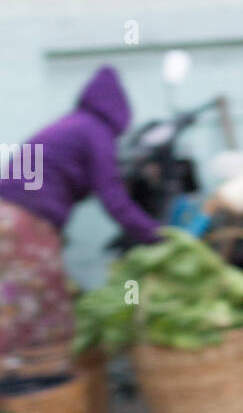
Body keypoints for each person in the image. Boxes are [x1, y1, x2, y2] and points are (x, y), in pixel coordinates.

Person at [0, 66, 161, 362]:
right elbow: (113, 198)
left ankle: (25, 387)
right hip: (25, 221)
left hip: (7, 216)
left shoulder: (73, 125)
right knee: (46, 306)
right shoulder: (95, 131)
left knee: (15, 301)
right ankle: (46, 388)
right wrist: (156, 234)